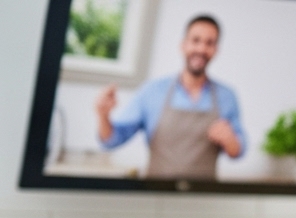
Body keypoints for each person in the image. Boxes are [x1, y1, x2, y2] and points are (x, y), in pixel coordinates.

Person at [94, 14, 245, 179]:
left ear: (215, 50)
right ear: (183, 45)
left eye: (209, 43)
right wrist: (103, 116)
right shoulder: (152, 91)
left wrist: (230, 140)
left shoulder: (227, 97)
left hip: (203, 198)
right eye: (196, 40)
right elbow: (112, 140)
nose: (201, 49)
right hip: (156, 196)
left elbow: (238, 151)